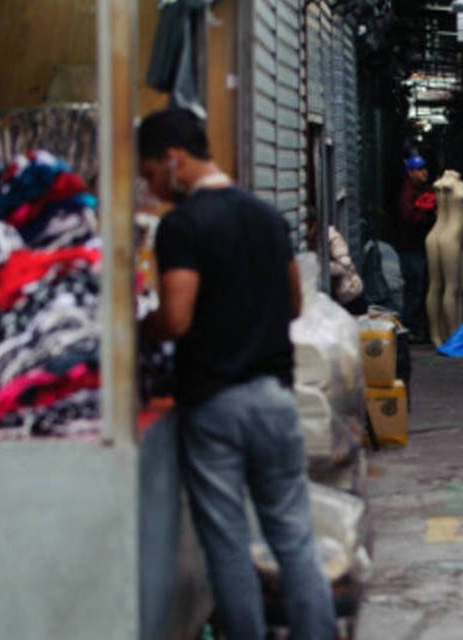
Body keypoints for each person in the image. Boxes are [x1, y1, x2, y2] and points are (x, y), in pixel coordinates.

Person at [137, 108, 337, 640]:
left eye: (151, 173)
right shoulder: (266, 217)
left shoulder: (182, 226)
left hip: (216, 406)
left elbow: (176, 317)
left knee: (227, 545)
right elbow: (295, 304)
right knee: (294, 537)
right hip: (275, 399)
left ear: (173, 160)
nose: (151, 186)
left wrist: (133, 330)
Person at [397, 155, 436, 343]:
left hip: (423, 247)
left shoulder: (427, 190)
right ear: (411, 172)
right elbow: (409, 217)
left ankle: (420, 327)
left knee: (423, 287)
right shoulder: (408, 192)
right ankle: (410, 327)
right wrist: (427, 215)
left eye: (425, 168)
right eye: (420, 169)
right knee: (415, 288)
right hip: (411, 247)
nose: (424, 172)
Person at [308, 210, 368, 315]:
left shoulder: (332, 237)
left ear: (315, 224)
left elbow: (344, 265)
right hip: (342, 296)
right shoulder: (314, 239)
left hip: (351, 295)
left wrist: (320, 267)